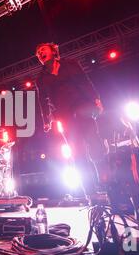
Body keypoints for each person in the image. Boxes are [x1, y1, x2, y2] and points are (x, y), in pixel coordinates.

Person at [35, 42, 109, 194]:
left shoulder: (70, 64)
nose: (40, 53)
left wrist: (96, 99)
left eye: (43, 49)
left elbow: (84, 81)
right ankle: (90, 192)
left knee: (94, 144)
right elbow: (42, 99)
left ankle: (107, 181)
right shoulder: (41, 78)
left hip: (83, 106)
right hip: (64, 115)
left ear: (53, 51)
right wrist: (46, 120)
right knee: (77, 153)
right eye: (38, 53)